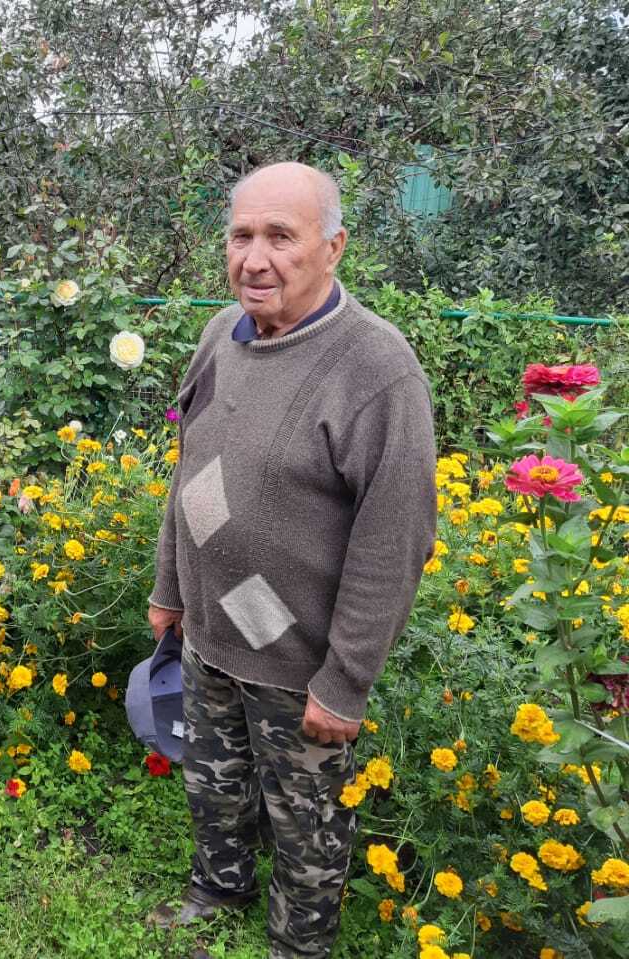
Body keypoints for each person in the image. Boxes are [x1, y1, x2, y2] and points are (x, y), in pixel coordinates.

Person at [147, 164, 436, 958]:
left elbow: (395, 537)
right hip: (211, 632)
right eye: (242, 235)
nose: (255, 258)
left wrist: (344, 681)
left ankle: (297, 943)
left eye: (281, 235)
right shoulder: (219, 335)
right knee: (214, 779)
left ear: (333, 246)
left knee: (306, 818)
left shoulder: (377, 370)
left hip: (299, 658)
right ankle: (218, 885)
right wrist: (169, 586)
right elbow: (189, 464)